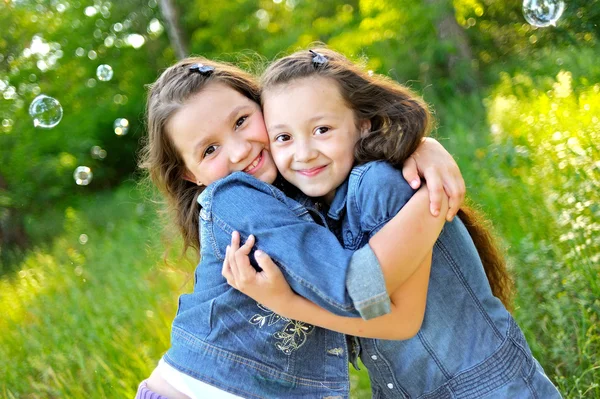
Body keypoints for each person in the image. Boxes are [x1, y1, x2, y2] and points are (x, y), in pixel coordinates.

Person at [223, 48, 562, 398]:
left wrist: (285, 303)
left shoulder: (379, 186)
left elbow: (402, 321)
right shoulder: (308, 210)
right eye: (284, 138)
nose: (304, 152)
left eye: (322, 129)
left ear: (362, 124)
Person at [136, 56, 465, 398]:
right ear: (191, 176)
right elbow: (350, 290)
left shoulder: (299, 186)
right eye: (209, 150)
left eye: (241, 121)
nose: (238, 151)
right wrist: (433, 195)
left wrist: (425, 148)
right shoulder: (233, 198)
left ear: (264, 106)